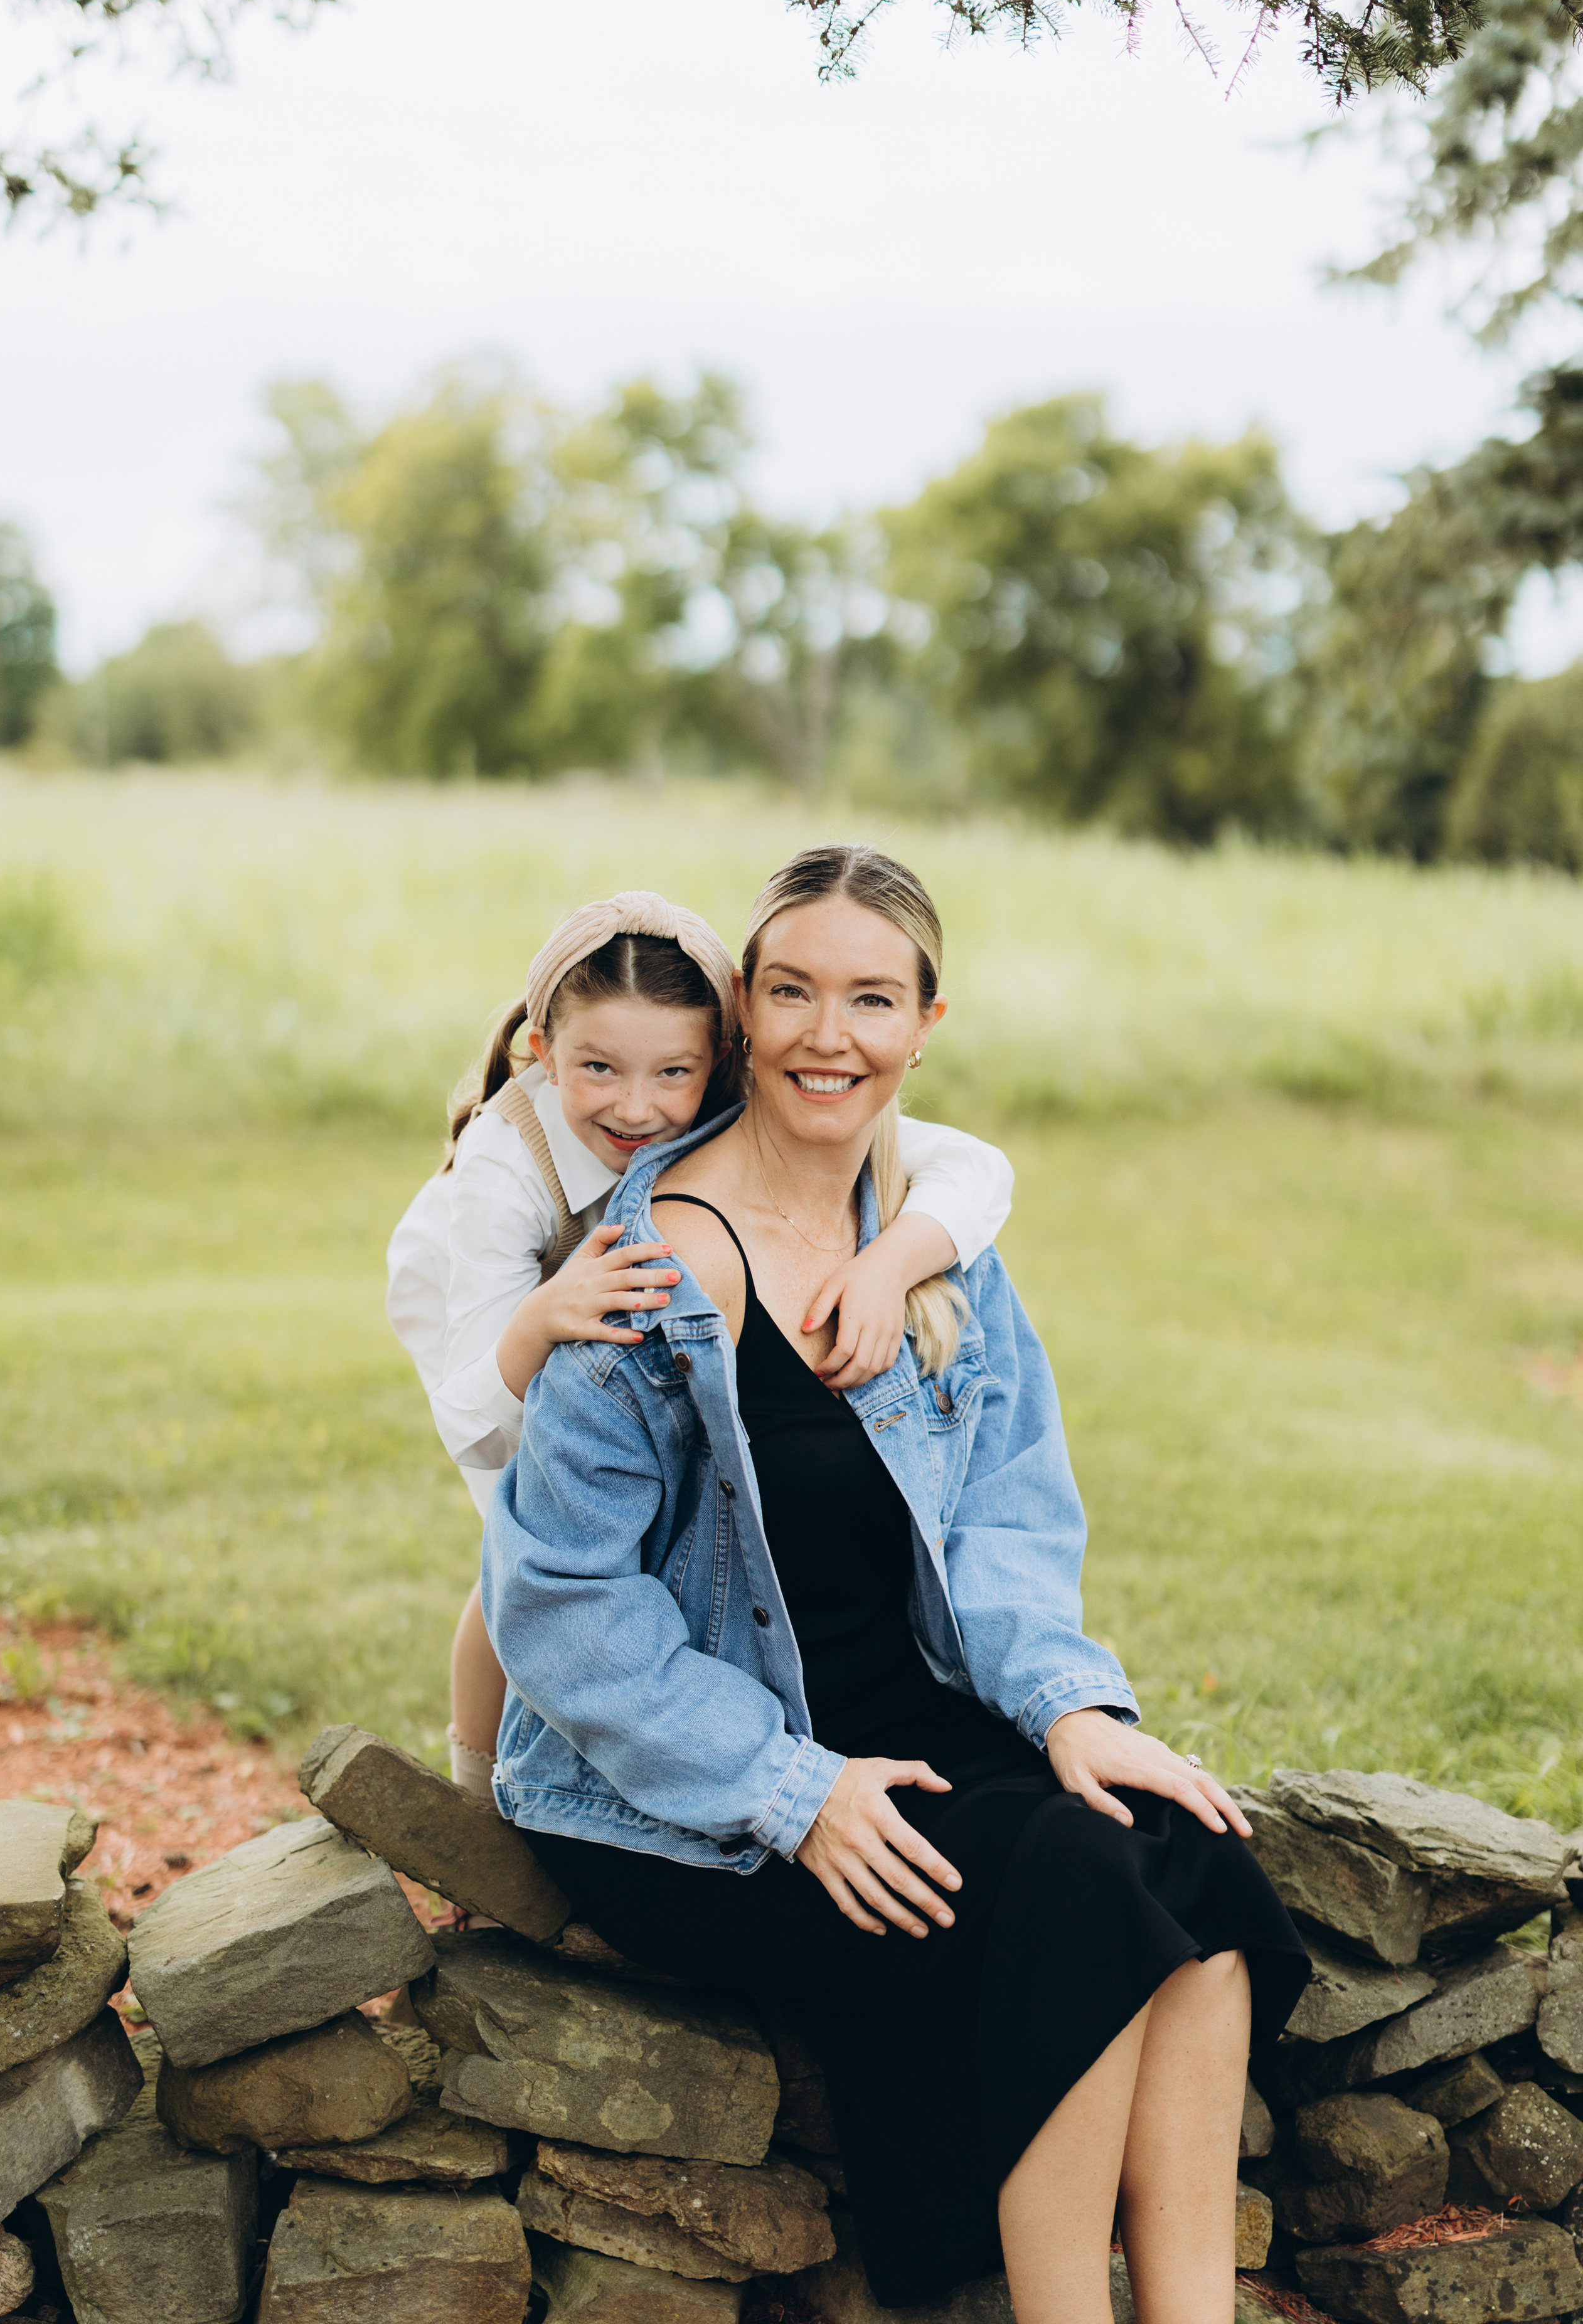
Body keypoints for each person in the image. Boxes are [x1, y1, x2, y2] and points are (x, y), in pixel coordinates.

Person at [483, 846, 1309, 2324]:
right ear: (741, 1014)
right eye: (791, 992)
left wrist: (1067, 1708)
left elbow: (1004, 1513)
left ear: (925, 1025)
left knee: (1178, 1846)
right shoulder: (653, 1276)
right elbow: (559, 1604)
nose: (829, 1034)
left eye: (871, 999)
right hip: (681, 1792)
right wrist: (790, 1790)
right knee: (1070, 1880)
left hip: (897, 1721)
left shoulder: (934, 1247)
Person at [385, 886, 1016, 1803]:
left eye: (672, 1073)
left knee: (668, 1524)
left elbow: (974, 1169)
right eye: (598, 1068)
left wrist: (889, 1265)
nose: (638, 1106)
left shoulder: (740, 1095)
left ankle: (698, 1724)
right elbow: (473, 1418)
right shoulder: (502, 1169)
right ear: (543, 1050)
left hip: (628, 1287)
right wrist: (544, 1317)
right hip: (491, 1315)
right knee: (531, 1539)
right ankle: (483, 1795)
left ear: (723, 1052)